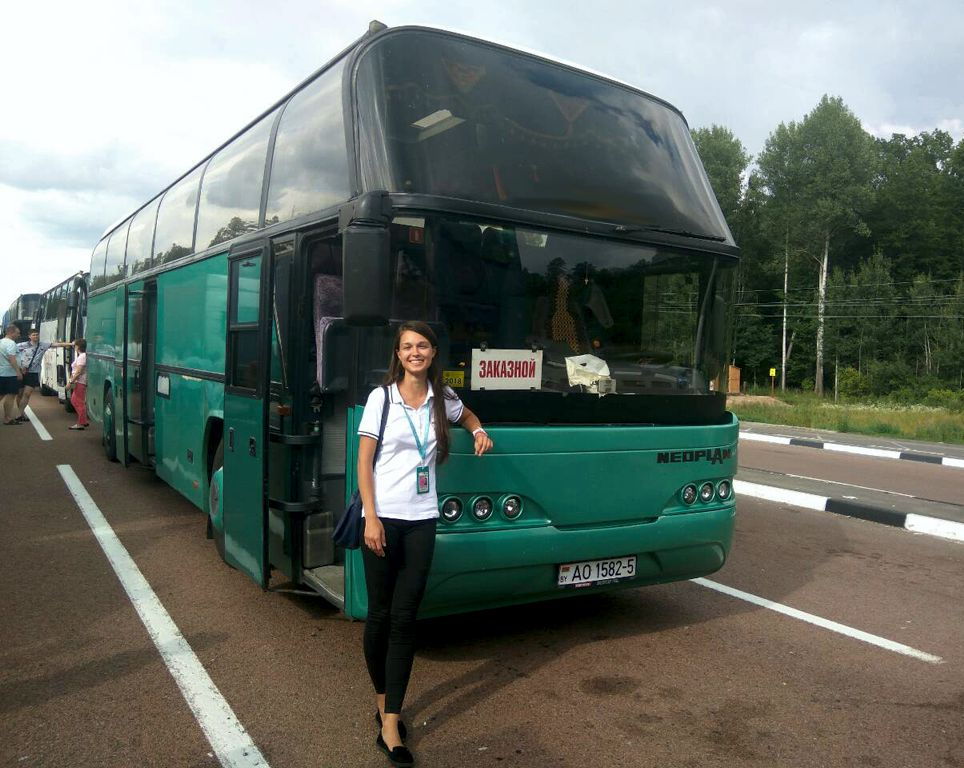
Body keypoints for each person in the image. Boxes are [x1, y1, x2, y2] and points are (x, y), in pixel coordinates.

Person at [357, 321, 493, 768]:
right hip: (382, 521)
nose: (415, 353)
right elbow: (363, 463)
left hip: (422, 521)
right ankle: (382, 700)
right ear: (397, 355)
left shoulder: (442, 398)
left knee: (405, 618)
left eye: (422, 346)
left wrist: (478, 430)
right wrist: (371, 518)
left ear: (433, 352)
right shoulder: (382, 399)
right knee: (379, 615)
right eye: (407, 347)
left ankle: (391, 723)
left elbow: (467, 415)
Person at [15, 330, 71, 422]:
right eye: (33, 335)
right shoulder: (21, 345)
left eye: (37, 335)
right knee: (19, 394)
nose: (36, 336)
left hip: (33, 372)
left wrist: (71, 344)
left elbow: (56, 344)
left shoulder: (42, 345)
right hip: (21, 372)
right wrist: (18, 367)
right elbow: (11, 354)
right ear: (29, 336)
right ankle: (21, 413)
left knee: (27, 393)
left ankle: (19, 414)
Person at [0, 324, 23, 425]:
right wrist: (18, 371)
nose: (19, 335)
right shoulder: (11, 343)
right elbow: (12, 358)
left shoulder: (1, 342)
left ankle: (7, 418)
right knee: (11, 395)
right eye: (17, 333)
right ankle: (7, 418)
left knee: (1, 394)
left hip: (2, 372)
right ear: (11, 332)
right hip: (10, 374)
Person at [65, 338, 89, 430]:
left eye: (75, 346)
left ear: (78, 347)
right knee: (76, 400)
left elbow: (78, 371)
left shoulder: (82, 356)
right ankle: (83, 421)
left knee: (77, 401)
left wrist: (70, 382)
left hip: (80, 381)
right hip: (79, 381)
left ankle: (81, 423)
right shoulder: (82, 356)